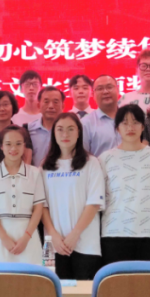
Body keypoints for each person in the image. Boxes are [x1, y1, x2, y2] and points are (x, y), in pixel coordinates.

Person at [100, 105, 150, 263]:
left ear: (143, 126)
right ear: (117, 128)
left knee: (147, 279)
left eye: (135, 122)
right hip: (114, 231)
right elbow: (100, 197)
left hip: (149, 231)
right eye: (124, 123)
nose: (130, 127)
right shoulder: (105, 158)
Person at [41, 113, 105, 280]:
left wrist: (75, 234)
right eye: (60, 129)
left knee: (84, 294)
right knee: (54, 292)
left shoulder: (91, 163)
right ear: (54, 133)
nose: (65, 134)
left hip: (85, 244)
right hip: (54, 244)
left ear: (79, 133)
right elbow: (41, 206)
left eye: (71, 129)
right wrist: (53, 235)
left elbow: (94, 203)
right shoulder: (45, 166)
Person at [0, 126, 46, 265]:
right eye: (8, 144)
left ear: (24, 146)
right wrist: (4, 238)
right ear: (1, 146)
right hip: (1, 236)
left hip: (29, 236)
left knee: (31, 276)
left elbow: (38, 208)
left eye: (18, 144)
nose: (13, 148)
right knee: (3, 276)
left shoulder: (35, 173)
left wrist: (26, 238)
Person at [82, 75, 123, 157]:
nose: (105, 92)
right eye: (100, 88)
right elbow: (83, 157)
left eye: (109, 87)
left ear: (118, 90)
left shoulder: (130, 119)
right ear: (93, 94)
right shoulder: (85, 123)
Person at [26, 86, 64, 167]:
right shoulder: (27, 130)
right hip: (35, 174)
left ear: (63, 106)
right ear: (38, 105)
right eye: (46, 102)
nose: (51, 106)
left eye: (55, 102)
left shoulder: (68, 131)